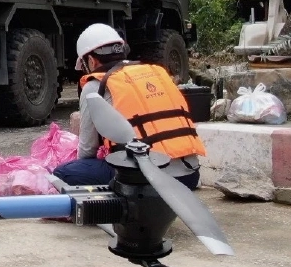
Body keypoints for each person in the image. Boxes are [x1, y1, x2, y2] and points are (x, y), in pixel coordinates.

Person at [53, 23, 206, 190]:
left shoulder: (94, 86)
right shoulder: (158, 72)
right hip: (189, 175)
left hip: (148, 181)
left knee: (63, 173)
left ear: (90, 60)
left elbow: (87, 151)